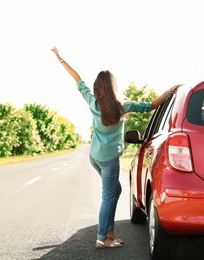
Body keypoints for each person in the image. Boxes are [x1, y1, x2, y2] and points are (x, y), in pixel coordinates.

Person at [51, 46, 181, 249]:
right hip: (109, 159)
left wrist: (60, 59)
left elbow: (77, 78)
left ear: (98, 87)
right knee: (108, 195)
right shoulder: (123, 105)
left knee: (116, 190)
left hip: (95, 157)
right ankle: (102, 237)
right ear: (113, 86)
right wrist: (169, 91)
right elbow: (151, 105)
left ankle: (110, 232)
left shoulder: (93, 102)